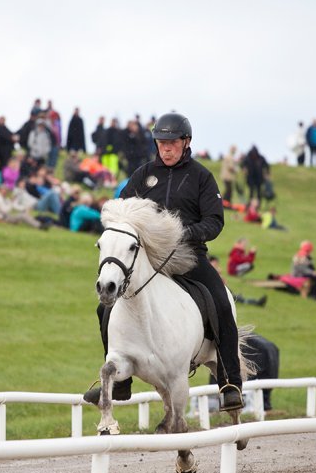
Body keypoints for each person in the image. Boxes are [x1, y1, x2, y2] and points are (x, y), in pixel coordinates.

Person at [83, 111, 245, 411]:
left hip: (188, 255)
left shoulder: (202, 177)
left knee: (221, 302)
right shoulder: (143, 176)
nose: (166, 148)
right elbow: (121, 212)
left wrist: (186, 233)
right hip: (147, 259)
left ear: (186, 142)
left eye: (172, 142)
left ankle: (229, 382)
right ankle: (120, 383)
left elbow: (215, 221)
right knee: (103, 308)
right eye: (161, 142)